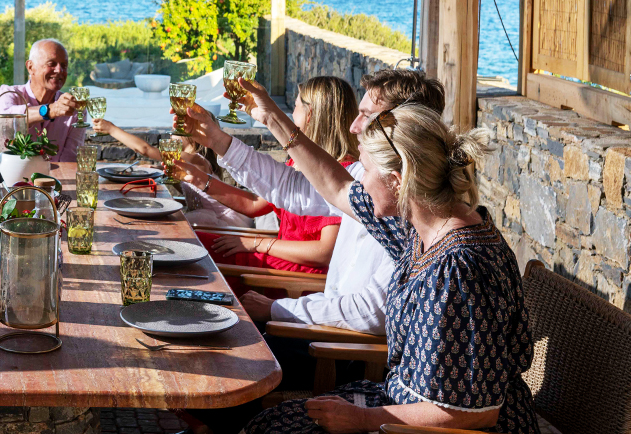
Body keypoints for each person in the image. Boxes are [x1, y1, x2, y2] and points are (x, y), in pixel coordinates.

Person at [194, 78, 538, 434]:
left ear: (397, 181)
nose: (359, 183)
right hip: (398, 405)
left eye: (367, 171)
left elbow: (475, 414)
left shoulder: (458, 273)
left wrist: (362, 419)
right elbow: (335, 186)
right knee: (268, 420)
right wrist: (270, 117)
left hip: (421, 426)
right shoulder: (420, 226)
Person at [189, 77, 364, 291]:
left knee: (194, 250)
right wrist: (197, 178)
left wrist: (257, 243)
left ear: (310, 114)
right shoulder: (298, 164)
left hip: (298, 278)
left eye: (295, 106)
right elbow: (254, 203)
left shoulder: (342, 174)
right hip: (280, 260)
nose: (291, 114)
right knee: (193, 241)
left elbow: (323, 252)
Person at [90, 118, 251, 227]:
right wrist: (162, 171)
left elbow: (145, 149)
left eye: (178, 127)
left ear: (193, 134)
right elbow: (190, 190)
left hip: (223, 223)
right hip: (206, 218)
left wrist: (111, 129)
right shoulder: (190, 161)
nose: (172, 130)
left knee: (164, 223)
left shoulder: (197, 159)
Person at [0, 39, 85, 161]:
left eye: (64, 65)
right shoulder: (8, 93)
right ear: (30, 67)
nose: (59, 70)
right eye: (51, 64)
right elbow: (5, 120)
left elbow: (70, 159)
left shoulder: (72, 108)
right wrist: (51, 110)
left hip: (55, 173)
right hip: (6, 172)